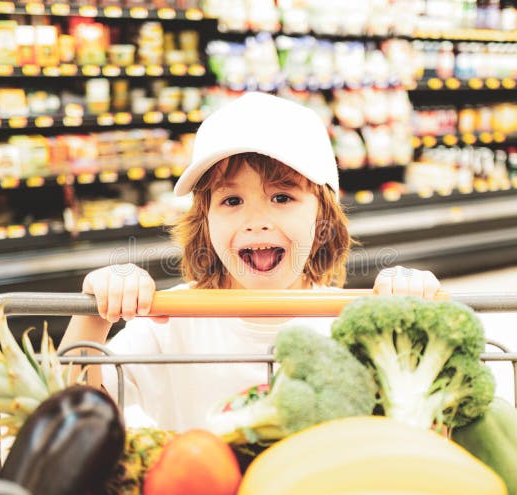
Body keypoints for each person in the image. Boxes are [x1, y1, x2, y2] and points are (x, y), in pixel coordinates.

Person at [60, 92, 441, 431]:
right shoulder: (169, 322)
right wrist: (94, 313)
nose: (256, 221)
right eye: (232, 201)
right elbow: (71, 413)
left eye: (281, 197)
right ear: (204, 221)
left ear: (322, 217)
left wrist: (410, 310)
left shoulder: (351, 324)